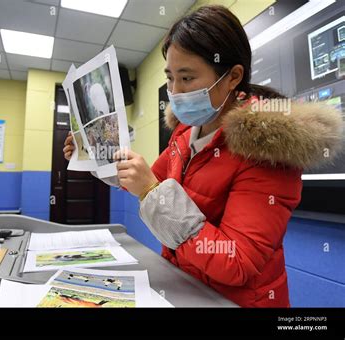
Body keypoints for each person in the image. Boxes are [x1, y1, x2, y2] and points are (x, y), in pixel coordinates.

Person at [63, 5, 343, 307]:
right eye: (170, 78)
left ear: (233, 76)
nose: (175, 91)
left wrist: (151, 193)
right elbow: (140, 178)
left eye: (187, 78)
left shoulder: (265, 149)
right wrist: (93, 154)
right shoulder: (184, 134)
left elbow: (237, 263)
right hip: (186, 290)